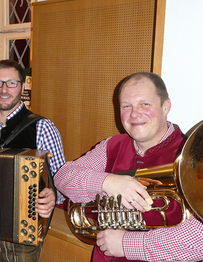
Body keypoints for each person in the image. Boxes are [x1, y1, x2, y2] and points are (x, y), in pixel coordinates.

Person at [54, 72, 203, 261]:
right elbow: (63, 177)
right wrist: (108, 182)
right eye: (126, 106)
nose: (134, 114)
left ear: (166, 106)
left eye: (145, 104)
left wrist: (126, 244)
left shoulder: (194, 156)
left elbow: (199, 240)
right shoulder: (111, 146)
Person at [0, 59, 65, 261]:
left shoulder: (42, 127)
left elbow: (60, 177)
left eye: (12, 83)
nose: (4, 89)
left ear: (22, 86)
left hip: (24, 234)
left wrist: (54, 195)